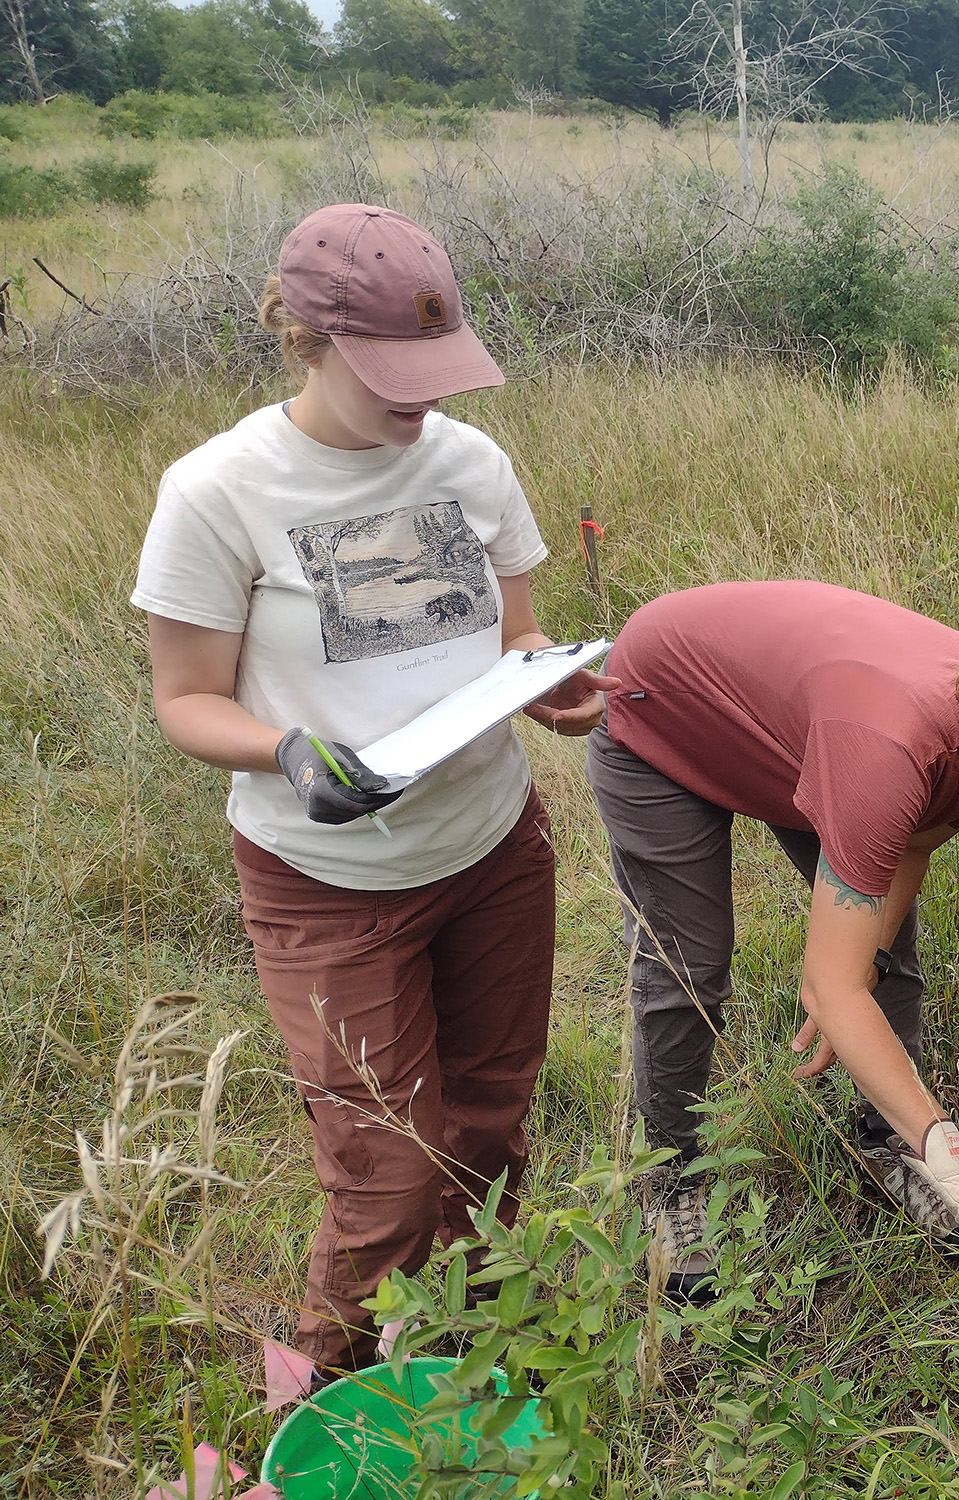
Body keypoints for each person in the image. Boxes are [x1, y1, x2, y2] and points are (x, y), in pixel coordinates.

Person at [131, 204, 617, 1375]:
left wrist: (547, 690)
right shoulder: (220, 491)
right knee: (388, 1174)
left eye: (435, 370)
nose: (420, 401)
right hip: (328, 880)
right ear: (304, 338)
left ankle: (461, 1354)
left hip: (494, 848)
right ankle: (322, 1401)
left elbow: (515, 637)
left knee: (492, 1126)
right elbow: (186, 698)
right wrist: (290, 753)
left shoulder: (470, 461)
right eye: (389, 372)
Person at [587, 580, 959, 1293]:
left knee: (884, 954)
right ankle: (669, 1181)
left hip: (797, 740)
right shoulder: (895, 751)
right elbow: (827, 985)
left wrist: (860, 972)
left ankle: (892, 1144)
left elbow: (912, 846)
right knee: (689, 966)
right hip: (665, 708)